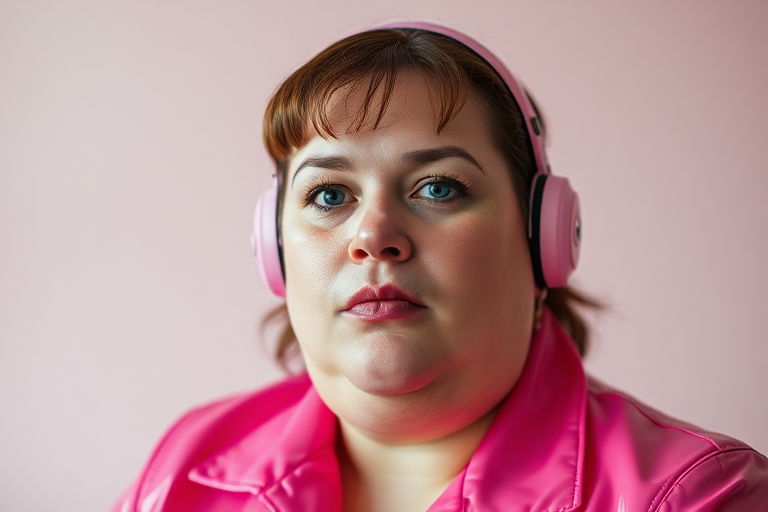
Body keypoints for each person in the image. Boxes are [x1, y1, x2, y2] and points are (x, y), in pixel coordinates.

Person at [111, 22, 768, 512]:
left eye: (438, 187)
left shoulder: (697, 495)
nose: (373, 236)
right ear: (275, 251)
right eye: (329, 196)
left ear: (545, 239)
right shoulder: (185, 466)